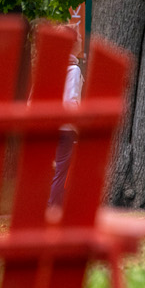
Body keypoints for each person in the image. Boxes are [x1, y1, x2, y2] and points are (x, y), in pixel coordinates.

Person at [48, 24, 85, 208]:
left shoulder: (51, 67)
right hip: (65, 128)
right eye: (78, 38)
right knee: (61, 173)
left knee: (53, 171)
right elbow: (71, 101)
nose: (81, 40)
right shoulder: (73, 70)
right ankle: (53, 207)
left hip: (48, 127)